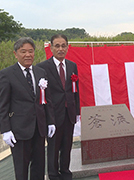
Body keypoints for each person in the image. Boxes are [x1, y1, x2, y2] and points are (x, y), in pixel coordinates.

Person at [0, 37, 55, 180]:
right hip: (19, 130)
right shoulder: (7, 74)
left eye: (31, 51)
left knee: (38, 166)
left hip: (39, 128)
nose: (27, 55)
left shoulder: (40, 72)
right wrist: (5, 130)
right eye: (23, 51)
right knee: (21, 168)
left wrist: (50, 121)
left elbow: (46, 100)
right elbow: (3, 105)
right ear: (15, 54)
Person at [37, 34, 80, 180]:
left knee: (67, 145)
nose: (60, 49)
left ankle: (65, 171)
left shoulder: (72, 65)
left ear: (67, 47)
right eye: (57, 46)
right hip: (53, 115)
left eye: (63, 46)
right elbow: (41, 96)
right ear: (51, 47)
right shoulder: (42, 68)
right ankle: (53, 175)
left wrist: (77, 111)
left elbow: (75, 90)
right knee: (53, 147)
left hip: (69, 113)